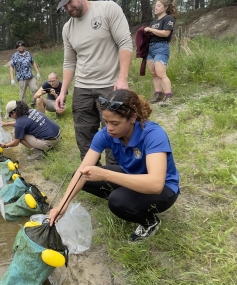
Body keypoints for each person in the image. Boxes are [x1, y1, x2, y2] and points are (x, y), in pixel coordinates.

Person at [49, 89, 180, 243]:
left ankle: (149, 221)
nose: (109, 128)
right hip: (132, 177)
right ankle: (131, 200)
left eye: (115, 123)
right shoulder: (106, 134)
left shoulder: (152, 134)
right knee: (85, 176)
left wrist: (106, 175)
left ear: (132, 117)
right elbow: (82, 172)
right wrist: (62, 206)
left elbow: (155, 184)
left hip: (164, 189)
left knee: (117, 201)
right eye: (106, 122)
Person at [53, 0, 133, 164]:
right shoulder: (68, 28)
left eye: (70, 1)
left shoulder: (108, 9)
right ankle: (91, 174)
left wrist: (123, 78)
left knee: (114, 132)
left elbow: (125, 43)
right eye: (64, 6)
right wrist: (63, 92)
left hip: (109, 85)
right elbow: (69, 62)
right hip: (82, 89)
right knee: (83, 134)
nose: (68, 9)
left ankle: (114, 175)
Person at [144, 0, 178, 106]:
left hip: (161, 47)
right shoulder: (154, 22)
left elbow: (165, 33)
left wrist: (150, 29)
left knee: (160, 73)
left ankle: (168, 96)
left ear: (166, 7)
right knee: (153, 73)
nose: (156, 7)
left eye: (158, 5)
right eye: (155, 6)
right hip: (151, 48)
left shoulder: (169, 18)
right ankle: (158, 94)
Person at [10, 40, 41, 106]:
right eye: (19, 46)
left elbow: (33, 62)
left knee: (35, 89)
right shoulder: (14, 56)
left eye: (22, 45)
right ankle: (24, 107)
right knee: (22, 93)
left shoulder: (28, 54)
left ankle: (33, 103)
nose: (20, 47)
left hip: (30, 76)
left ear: (24, 46)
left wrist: (37, 72)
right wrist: (12, 79)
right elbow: (11, 67)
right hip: (21, 78)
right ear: (17, 48)